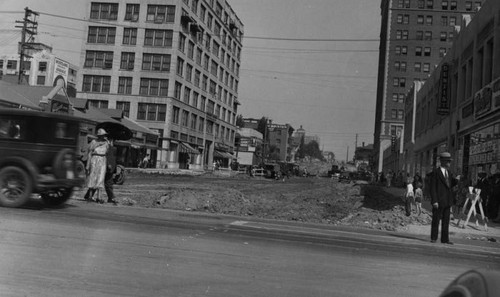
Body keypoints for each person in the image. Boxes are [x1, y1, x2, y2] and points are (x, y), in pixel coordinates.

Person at [429, 152, 458, 244]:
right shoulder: (435, 173)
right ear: (443, 162)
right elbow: (432, 188)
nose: (450, 163)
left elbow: (449, 185)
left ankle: (445, 239)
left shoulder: (449, 173)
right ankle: (434, 237)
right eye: (448, 161)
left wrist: (456, 180)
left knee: (446, 221)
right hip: (438, 201)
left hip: (447, 201)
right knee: (436, 220)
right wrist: (434, 201)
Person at [83, 128, 110, 203]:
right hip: (94, 159)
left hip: (102, 159)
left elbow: (107, 152)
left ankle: (99, 197)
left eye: (104, 135)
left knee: (101, 178)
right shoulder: (93, 142)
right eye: (102, 135)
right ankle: (90, 196)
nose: (103, 136)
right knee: (92, 177)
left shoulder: (106, 143)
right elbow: (89, 153)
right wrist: (88, 164)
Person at [104, 138, 118, 205]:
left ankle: (111, 197)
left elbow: (114, 159)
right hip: (107, 167)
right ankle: (111, 197)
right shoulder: (109, 148)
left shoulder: (113, 149)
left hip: (109, 168)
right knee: (107, 183)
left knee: (108, 183)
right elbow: (107, 157)